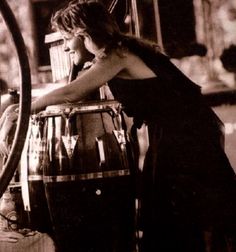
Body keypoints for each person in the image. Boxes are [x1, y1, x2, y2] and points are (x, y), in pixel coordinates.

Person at [0, 1, 236, 251]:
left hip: (184, 136)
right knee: (182, 213)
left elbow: (73, 92)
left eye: (68, 39)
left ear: (83, 34)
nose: (67, 48)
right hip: (180, 132)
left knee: (188, 212)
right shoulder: (119, 52)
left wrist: (23, 109)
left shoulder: (117, 55)